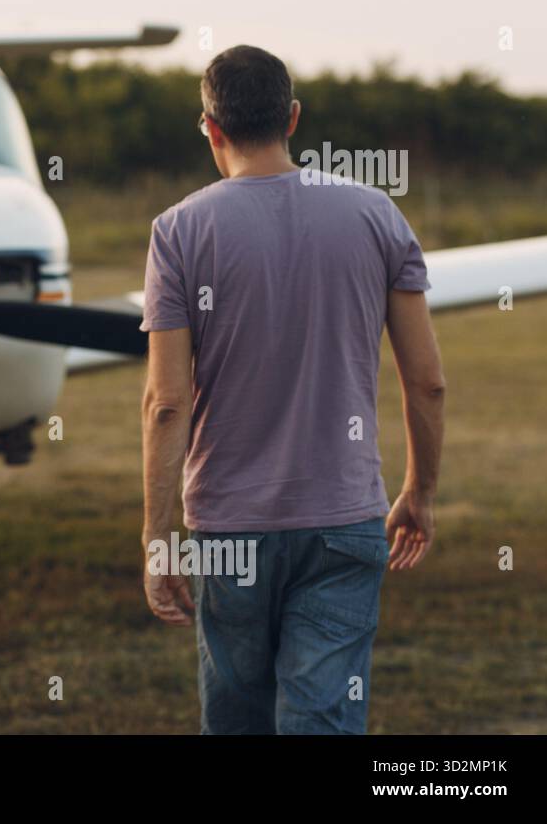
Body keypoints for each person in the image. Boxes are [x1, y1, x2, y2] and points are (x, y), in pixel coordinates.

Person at [139, 45, 446, 734]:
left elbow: (165, 403)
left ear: (210, 128)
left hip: (227, 527)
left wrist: (159, 538)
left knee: (239, 718)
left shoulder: (178, 231)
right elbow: (427, 382)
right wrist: (420, 491)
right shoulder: (375, 215)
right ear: (294, 118)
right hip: (344, 519)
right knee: (323, 718)